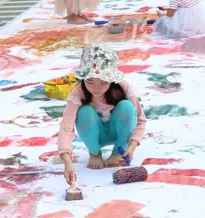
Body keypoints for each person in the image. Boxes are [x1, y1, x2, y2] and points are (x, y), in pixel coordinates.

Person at [59, 45, 147, 182]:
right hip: (94, 134)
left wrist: (131, 147)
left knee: (127, 107)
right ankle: (94, 152)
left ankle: (118, 151)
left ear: (112, 79)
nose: (96, 88)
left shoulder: (124, 88)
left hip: (118, 132)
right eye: (90, 81)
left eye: (103, 82)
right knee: (85, 112)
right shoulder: (78, 94)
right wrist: (68, 163)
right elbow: (66, 128)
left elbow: (140, 120)